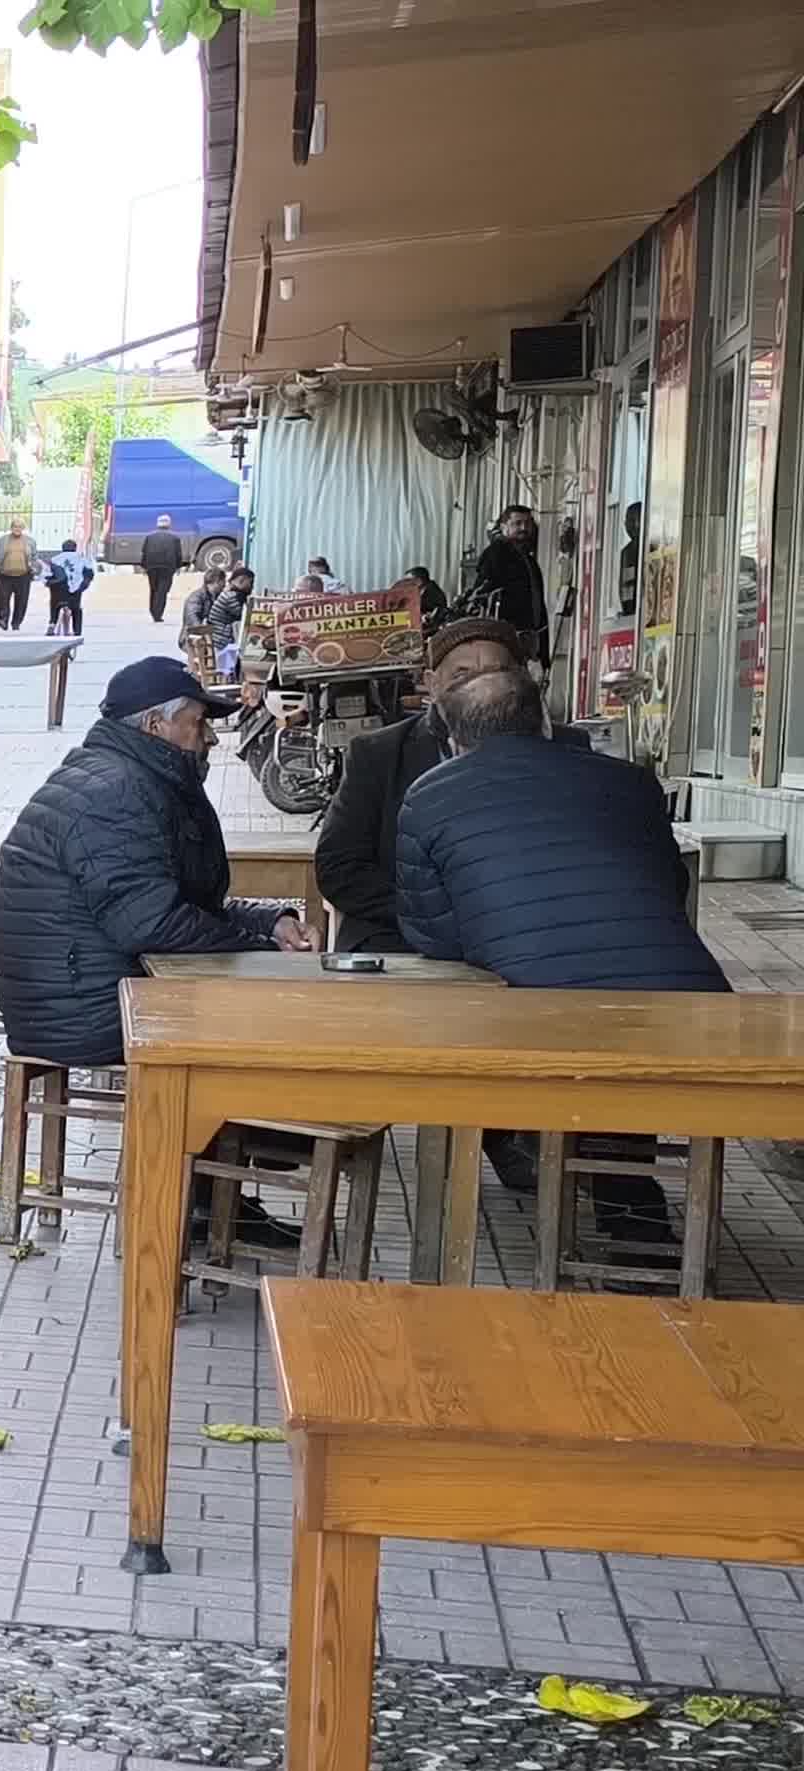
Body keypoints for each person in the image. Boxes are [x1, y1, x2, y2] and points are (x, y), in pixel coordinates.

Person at [397, 665, 728, 1241]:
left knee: (571, 1041)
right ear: (546, 723)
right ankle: (632, 1221)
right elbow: (671, 888)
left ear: (453, 741)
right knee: (619, 1036)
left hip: (537, 1015)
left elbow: (433, 937)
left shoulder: (427, 798)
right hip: (695, 1009)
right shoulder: (632, 783)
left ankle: (599, 1207)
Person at [0, 657, 310, 1068]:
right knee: (284, 1030)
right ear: (155, 726)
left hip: (97, 994)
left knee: (280, 1024)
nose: (211, 737)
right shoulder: (116, 793)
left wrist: (268, 923)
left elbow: (167, 905)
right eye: (199, 722)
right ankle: (237, 1130)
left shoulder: (127, 778)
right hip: (86, 1016)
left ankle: (243, 1131)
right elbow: (154, 925)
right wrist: (261, 949)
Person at [313, 617, 532, 953]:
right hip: (400, 936)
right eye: (461, 675)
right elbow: (339, 869)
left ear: (523, 678)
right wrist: (440, 915)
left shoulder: (562, 750)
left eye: (495, 672)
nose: (478, 687)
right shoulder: (379, 755)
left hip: (524, 935)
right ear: (431, 683)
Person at [468, 504, 551, 662]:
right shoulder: (496, 554)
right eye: (517, 523)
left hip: (528, 638)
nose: (523, 528)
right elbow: (481, 594)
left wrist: (543, 649)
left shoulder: (528, 560)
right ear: (504, 526)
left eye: (527, 523)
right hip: (504, 639)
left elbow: (537, 601)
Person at [136, 515, 185, 622]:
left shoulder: (149, 537)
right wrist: (178, 566)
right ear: (169, 524)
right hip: (168, 567)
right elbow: (178, 554)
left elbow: (144, 552)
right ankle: (158, 614)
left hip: (152, 566)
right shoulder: (175, 538)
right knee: (163, 590)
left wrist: (144, 566)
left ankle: (153, 611)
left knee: (153, 589)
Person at [0, 522, 37, 631]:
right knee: (3, 599)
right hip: (4, 575)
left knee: (21, 601)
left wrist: (33, 569)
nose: (17, 529)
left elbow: (34, 557)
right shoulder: (3, 540)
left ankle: (16, 622)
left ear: (23, 528)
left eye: (20, 527)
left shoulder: (30, 541)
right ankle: (3, 620)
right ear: (11, 528)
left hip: (23, 576)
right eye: (15, 527)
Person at [41, 538, 91, 635]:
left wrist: (49, 583)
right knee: (77, 609)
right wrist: (83, 586)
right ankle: (77, 631)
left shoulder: (54, 560)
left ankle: (52, 624)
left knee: (54, 605)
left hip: (58, 591)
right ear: (75, 548)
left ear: (63, 548)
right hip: (75, 592)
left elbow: (46, 575)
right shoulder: (81, 559)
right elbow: (89, 573)